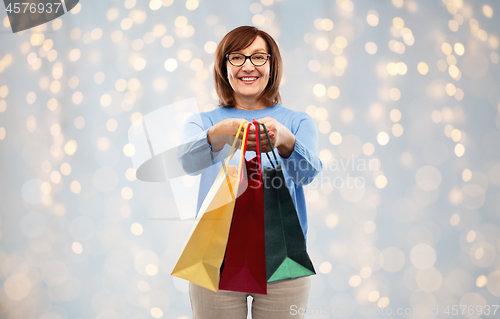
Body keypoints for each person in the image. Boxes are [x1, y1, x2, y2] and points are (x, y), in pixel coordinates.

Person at [178, 25, 322, 319]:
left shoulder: (298, 122)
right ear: (223, 66)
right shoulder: (202, 122)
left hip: (284, 262)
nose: (248, 66)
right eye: (237, 57)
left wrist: (286, 141)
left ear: (272, 65)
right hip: (214, 260)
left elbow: (307, 174)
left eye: (258, 57)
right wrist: (216, 134)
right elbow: (187, 164)